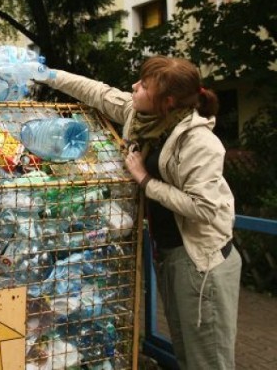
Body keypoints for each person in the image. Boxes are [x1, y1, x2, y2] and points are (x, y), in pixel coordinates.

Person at [39, 56, 242, 369]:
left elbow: (205, 208)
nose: (134, 87)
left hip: (202, 262)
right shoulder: (142, 117)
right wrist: (48, 74)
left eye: (144, 85)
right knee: (187, 355)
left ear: (167, 101)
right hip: (171, 254)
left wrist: (145, 180)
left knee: (208, 360)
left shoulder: (199, 142)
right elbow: (98, 92)